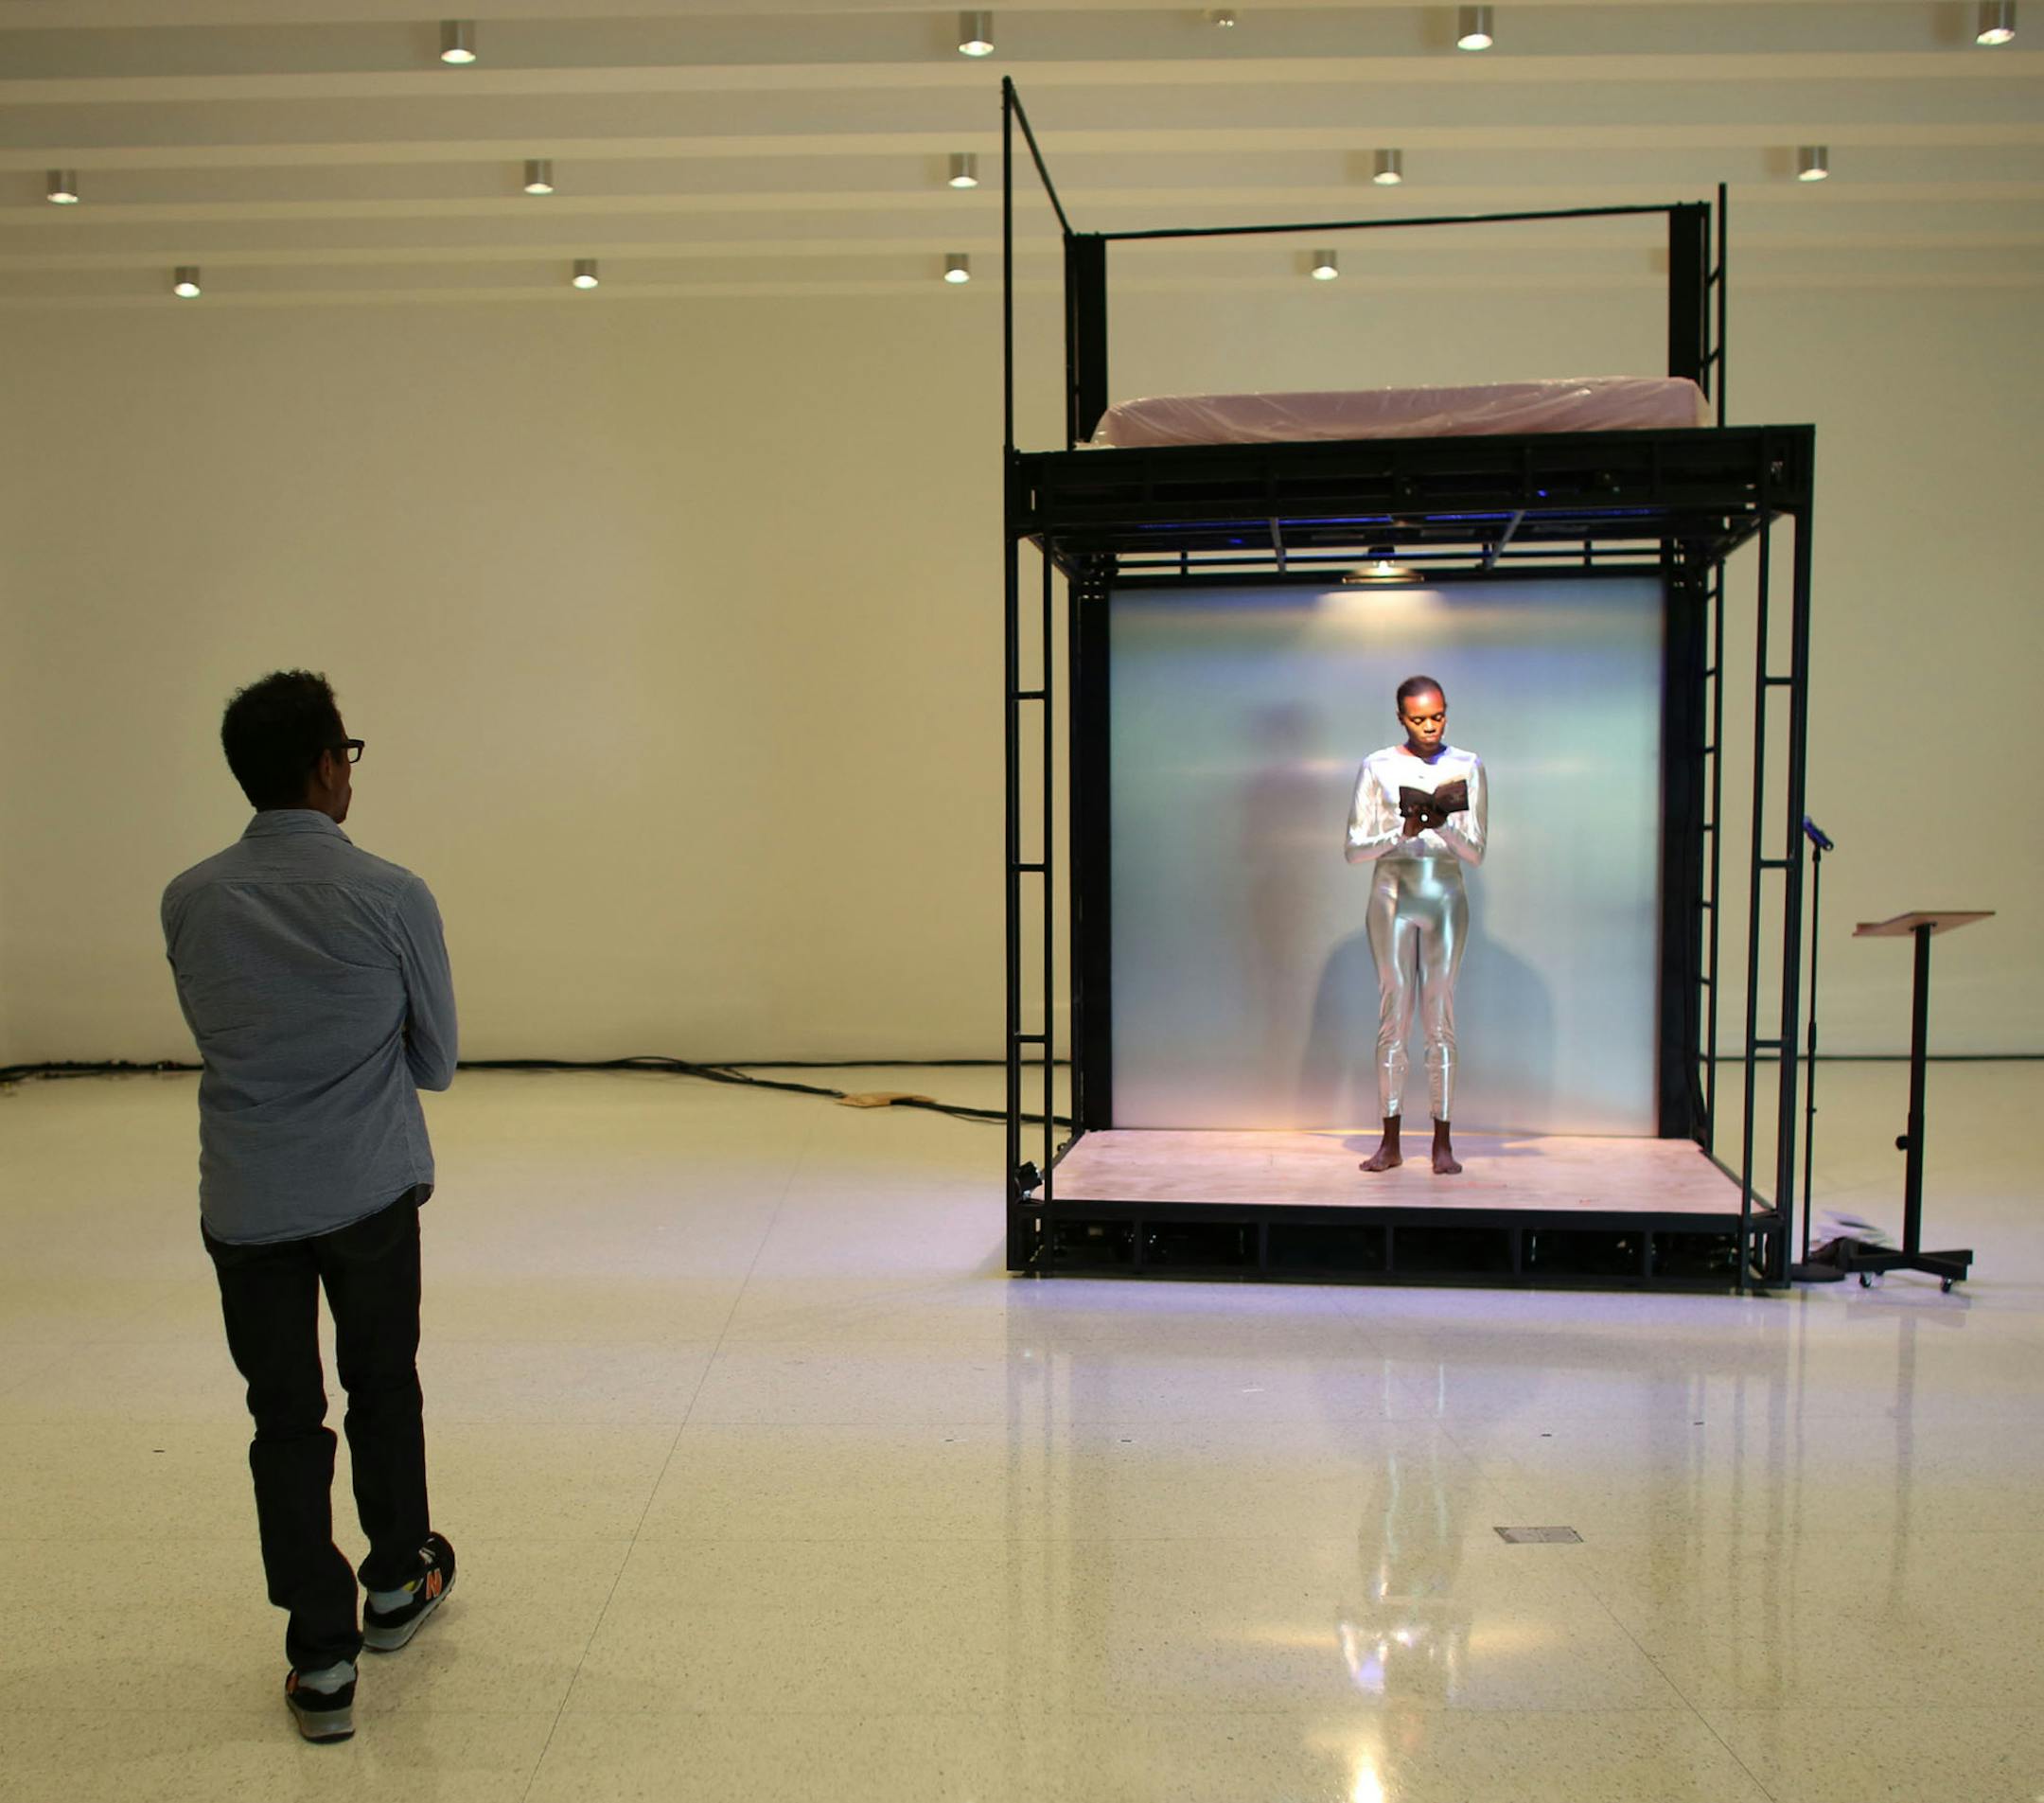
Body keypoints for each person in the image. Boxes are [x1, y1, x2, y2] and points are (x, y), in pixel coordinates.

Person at [161, 670, 458, 1743]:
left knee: (282, 1419)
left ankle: (320, 1660)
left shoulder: (190, 897)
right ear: (330, 766)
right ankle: (396, 1581)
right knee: (383, 1383)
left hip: (246, 1200)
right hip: (369, 1187)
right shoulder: (392, 895)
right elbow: (437, 1060)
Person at [1343, 676, 1487, 1175]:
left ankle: (1442, 1143)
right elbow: (1354, 850)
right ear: (1401, 717)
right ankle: (1390, 1140)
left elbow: (1476, 852)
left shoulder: (1467, 764)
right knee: (1394, 1013)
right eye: (1419, 718)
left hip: (1444, 892)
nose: (1430, 726)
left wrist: (1440, 821)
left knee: (1440, 1016)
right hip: (1393, 894)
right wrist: (1402, 827)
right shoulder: (1377, 765)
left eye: (1438, 716)